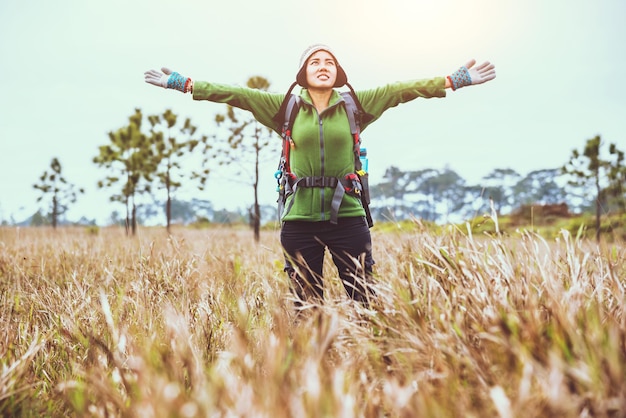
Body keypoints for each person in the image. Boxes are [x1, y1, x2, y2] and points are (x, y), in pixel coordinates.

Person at [144, 44, 496, 308]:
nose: (323, 66)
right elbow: (235, 94)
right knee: (307, 309)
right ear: (304, 72)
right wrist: (186, 84)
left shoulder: (356, 104)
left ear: (338, 72)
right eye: (315, 62)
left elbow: (401, 90)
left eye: (330, 62)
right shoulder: (285, 107)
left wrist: (452, 81)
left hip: (349, 217)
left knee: (366, 302)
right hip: (299, 221)